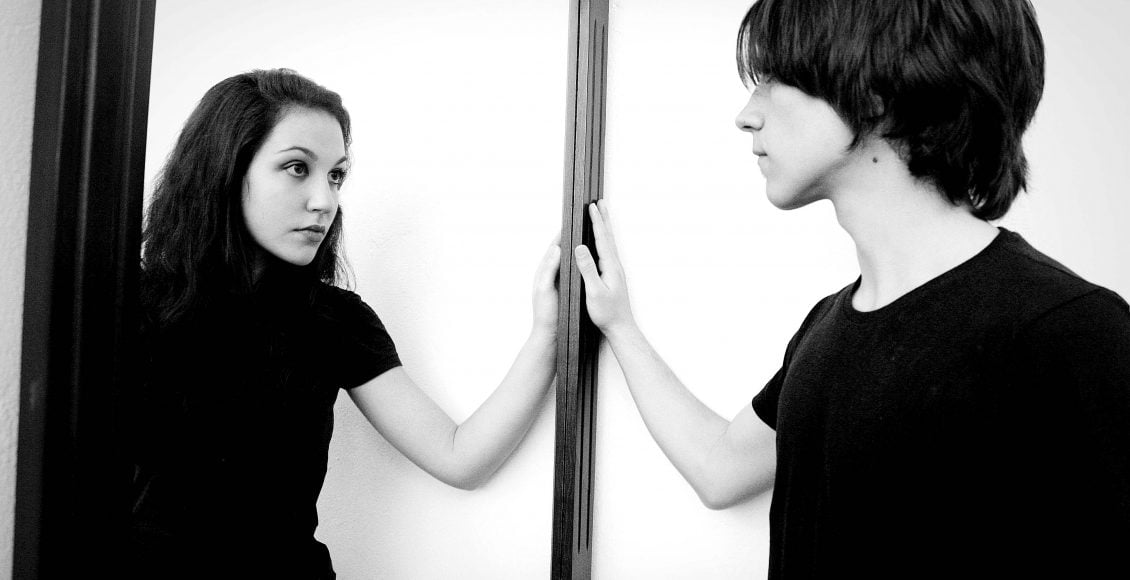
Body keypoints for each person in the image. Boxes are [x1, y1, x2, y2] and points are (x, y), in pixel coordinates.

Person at [573, 0, 1130, 578]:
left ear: (877, 90)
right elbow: (720, 470)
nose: (746, 115)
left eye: (777, 78)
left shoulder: (1068, 331)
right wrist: (619, 325)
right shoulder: (827, 327)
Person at [125, 68, 559, 579]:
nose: (325, 201)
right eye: (296, 168)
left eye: (335, 175)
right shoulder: (127, 303)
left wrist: (547, 333)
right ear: (225, 168)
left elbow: (459, 457)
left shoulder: (334, 320)